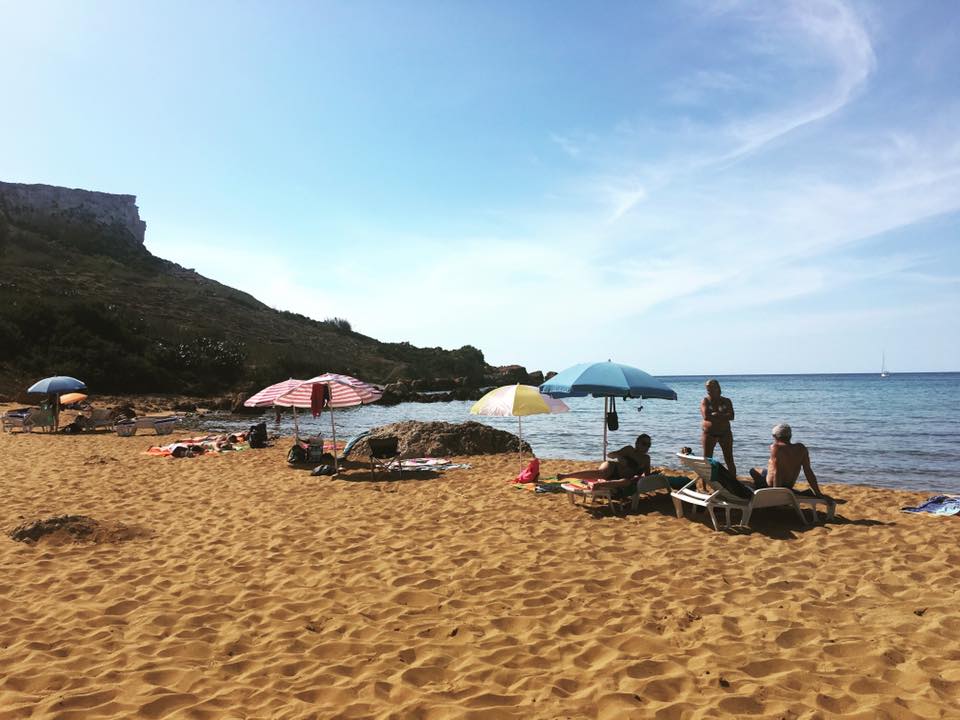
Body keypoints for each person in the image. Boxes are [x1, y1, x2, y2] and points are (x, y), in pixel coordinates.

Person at [750, 423, 824, 497]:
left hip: (772, 486)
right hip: (788, 486)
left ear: (774, 436)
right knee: (760, 470)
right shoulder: (801, 448)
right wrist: (817, 492)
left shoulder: (776, 447)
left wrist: (776, 494)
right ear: (790, 436)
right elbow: (808, 471)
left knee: (752, 471)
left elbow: (776, 472)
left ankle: (760, 488)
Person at [557, 434, 653, 486]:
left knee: (626, 482)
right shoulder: (629, 450)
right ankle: (566, 475)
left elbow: (647, 476)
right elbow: (610, 455)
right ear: (637, 443)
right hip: (612, 468)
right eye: (644, 444)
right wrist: (620, 457)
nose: (646, 447)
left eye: (648, 445)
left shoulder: (646, 459)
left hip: (620, 478)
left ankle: (600, 485)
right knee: (600, 473)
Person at [701, 379, 737, 478]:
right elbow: (706, 416)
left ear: (717, 388)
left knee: (729, 459)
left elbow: (732, 416)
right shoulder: (705, 401)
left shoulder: (726, 401)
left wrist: (717, 414)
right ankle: (705, 483)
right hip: (709, 433)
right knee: (707, 460)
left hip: (725, 433)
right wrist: (723, 416)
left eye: (711, 388)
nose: (708, 390)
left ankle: (734, 482)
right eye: (707, 388)